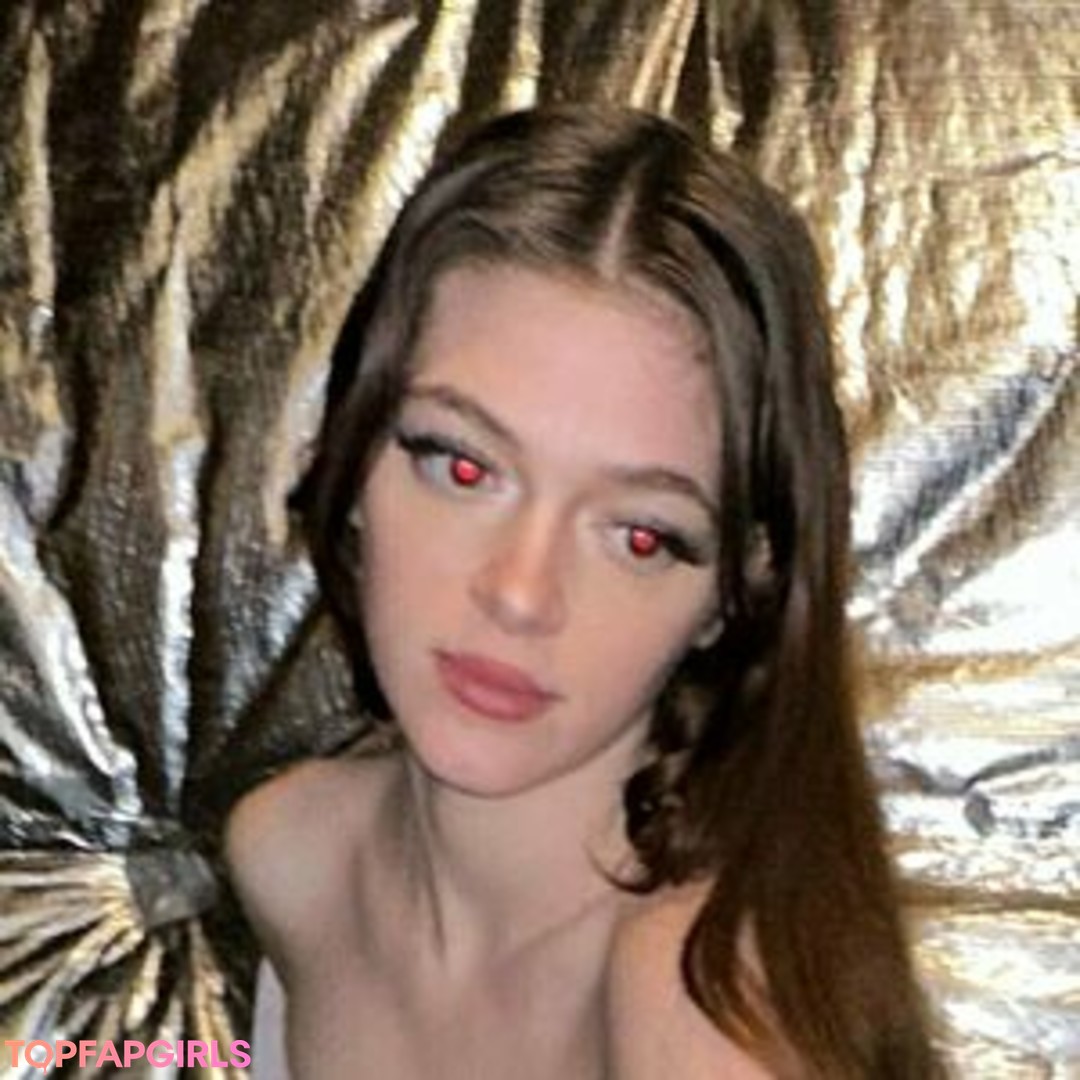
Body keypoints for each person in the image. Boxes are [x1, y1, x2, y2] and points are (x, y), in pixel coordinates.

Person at [225, 105, 944, 1079]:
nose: (521, 594)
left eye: (641, 536)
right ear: (350, 458)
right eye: (463, 467)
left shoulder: (700, 1015)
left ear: (734, 592)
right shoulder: (293, 855)